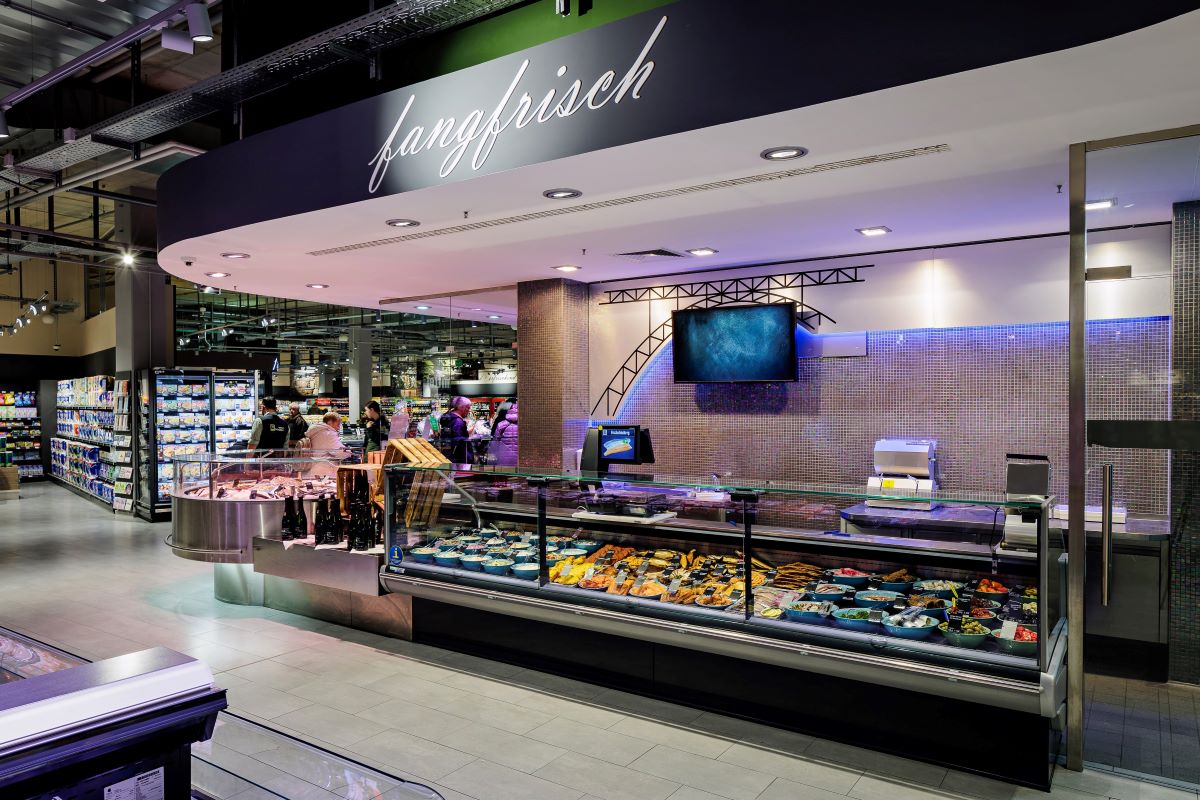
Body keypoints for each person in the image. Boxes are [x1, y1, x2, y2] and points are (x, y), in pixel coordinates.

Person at [299, 411, 352, 475]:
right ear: (330, 422)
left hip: (315, 466)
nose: (338, 428)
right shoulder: (329, 434)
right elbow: (339, 452)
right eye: (337, 424)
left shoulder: (317, 430)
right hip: (326, 469)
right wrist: (349, 452)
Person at [438, 396, 472, 464]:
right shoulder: (458, 422)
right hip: (460, 460)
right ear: (462, 407)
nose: (469, 410)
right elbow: (459, 443)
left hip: (449, 457)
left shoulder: (449, 418)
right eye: (468, 408)